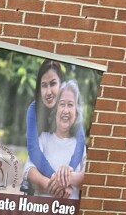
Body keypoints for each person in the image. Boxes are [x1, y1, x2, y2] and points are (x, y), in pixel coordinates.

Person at [25, 60, 86, 192]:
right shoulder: (33, 110)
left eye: (53, 84)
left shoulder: (71, 112)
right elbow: (34, 150)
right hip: (40, 184)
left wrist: (65, 179)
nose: (48, 92)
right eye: (43, 85)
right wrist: (57, 181)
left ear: (61, 84)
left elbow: (79, 148)